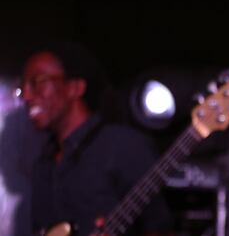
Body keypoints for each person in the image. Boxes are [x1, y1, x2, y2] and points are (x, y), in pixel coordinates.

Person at [20, 41, 173, 236]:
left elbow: (161, 229)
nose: (26, 95)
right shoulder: (43, 166)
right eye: (22, 87)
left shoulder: (123, 146)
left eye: (38, 82)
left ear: (75, 87)